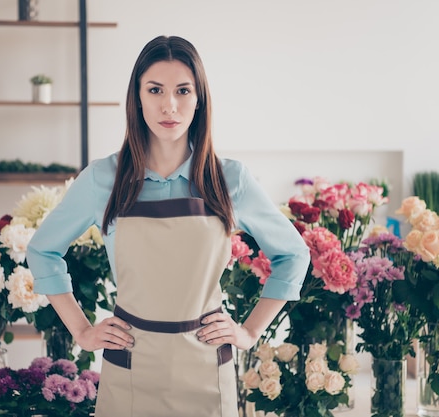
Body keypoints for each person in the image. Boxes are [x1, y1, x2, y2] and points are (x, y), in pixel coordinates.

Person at [26, 35, 310, 417]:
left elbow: (293, 254)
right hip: (130, 367)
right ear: (137, 97)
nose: (169, 105)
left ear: (199, 99)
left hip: (207, 369)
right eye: (155, 89)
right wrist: (81, 329)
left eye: (183, 90)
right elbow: (42, 250)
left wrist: (249, 331)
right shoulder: (102, 179)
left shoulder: (230, 179)